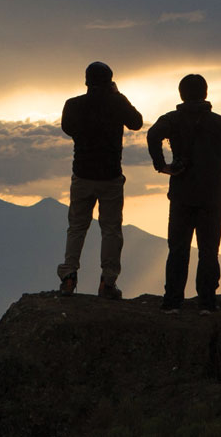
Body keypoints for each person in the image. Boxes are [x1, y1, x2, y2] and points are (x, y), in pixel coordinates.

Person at [147, 74, 221, 315]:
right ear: (205, 93)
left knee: (178, 248)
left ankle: (172, 301)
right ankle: (207, 302)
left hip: (181, 193)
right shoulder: (219, 122)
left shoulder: (172, 120)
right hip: (212, 194)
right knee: (209, 249)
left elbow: (153, 134)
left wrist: (162, 165)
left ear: (181, 94)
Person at [56, 61, 144, 299]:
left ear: (86, 81)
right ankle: (108, 282)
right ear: (110, 81)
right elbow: (136, 122)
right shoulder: (117, 102)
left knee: (76, 227)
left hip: (82, 175)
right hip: (110, 176)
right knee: (111, 229)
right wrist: (117, 95)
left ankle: (68, 276)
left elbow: (68, 128)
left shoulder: (73, 105)